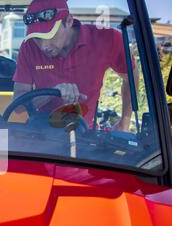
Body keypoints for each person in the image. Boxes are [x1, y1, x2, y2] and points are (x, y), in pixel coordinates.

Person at [12, 0, 138, 131]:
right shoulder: (29, 48)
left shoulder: (107, 39)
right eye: (37, 38)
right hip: (43, 134)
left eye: (50, 34)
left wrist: (125, 122)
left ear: (68, 21)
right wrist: (52, 92)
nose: (44, 46)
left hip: (86, 134)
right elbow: (18, 106)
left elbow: (132, 76)